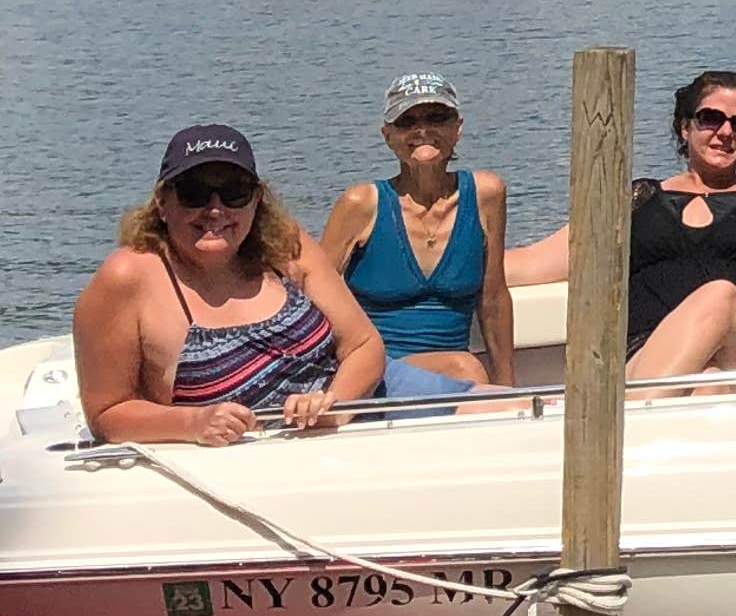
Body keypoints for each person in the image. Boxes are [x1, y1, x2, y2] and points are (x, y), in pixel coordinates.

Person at [497, 71, 736, 377]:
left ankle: (631, 415)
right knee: (707, 384)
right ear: (685, 127)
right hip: (649, 350)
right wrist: (463, 262)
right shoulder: (637, 200)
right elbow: (536, 261)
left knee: (721, 298)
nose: (725, 132)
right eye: (710, 118)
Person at [73, 125, 393, 445]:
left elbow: (364, 345)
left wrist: (334, 407)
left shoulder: (285, 245)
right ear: (162, 201)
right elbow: (106, 413)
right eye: (194, 193)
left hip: (347, 433)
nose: (215, 210)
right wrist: (192, 423)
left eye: (235, 192)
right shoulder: (127, 277)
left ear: (256, 199)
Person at [322, 71, 518, 386]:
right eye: (407, 121)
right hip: (376, 373)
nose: (423, 130)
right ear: (388, 135)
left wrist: (509, 391)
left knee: (467, 373)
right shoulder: (360, 204)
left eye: (437, 118)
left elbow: (493, 299)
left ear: (457, 128)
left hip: (449, 375)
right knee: (465, 368)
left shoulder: (486, 195)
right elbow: (314, 298)